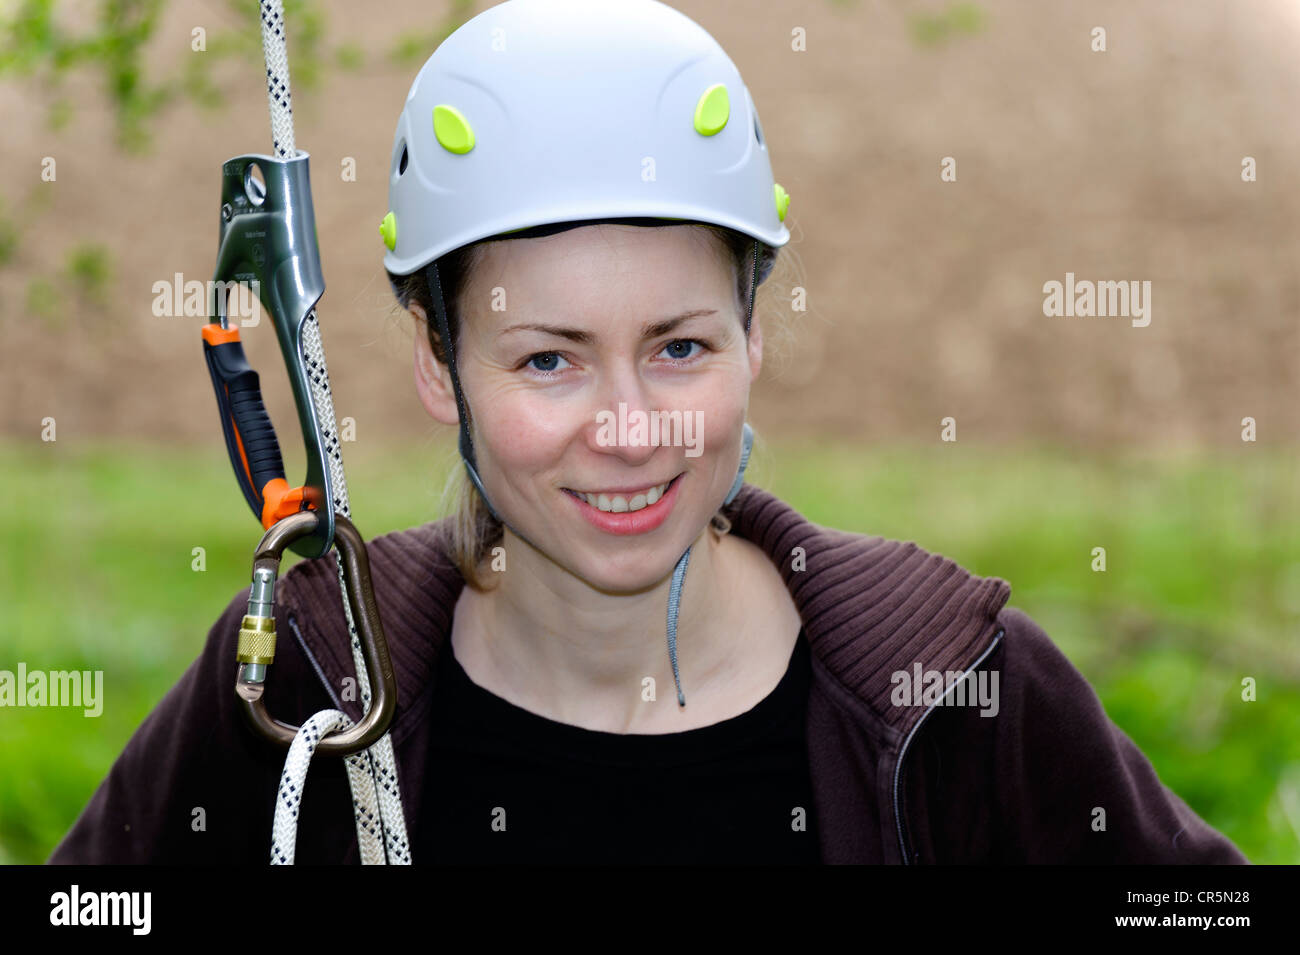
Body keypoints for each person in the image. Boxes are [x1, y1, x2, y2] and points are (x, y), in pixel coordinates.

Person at [49, 0, 1246, 865]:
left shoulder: (948, 693)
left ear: (753, 338)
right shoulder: (310, 687)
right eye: (548, 359)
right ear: (434, 362)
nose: (626, 429)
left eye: (678, 347)